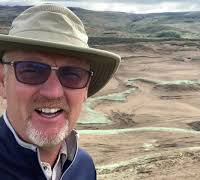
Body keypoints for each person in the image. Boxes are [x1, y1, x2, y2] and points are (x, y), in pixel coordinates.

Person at [0, 3, 120, 180]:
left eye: (73, 74)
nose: (53, 92)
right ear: (2, 81)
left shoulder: (84, 166)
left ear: (86, 88)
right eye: (31, 71)